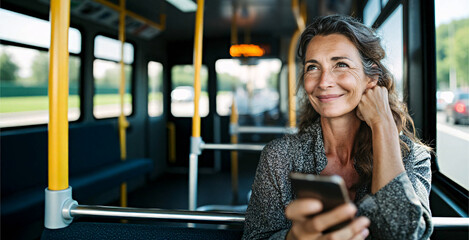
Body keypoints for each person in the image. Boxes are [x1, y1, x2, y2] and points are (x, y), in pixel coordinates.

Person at [242, 15, 432, 240]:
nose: (323, 82)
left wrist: (383, 125)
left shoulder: (412, 156)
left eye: (341, 64)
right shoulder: (278, 156)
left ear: (371, 78)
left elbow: (403, 234)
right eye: (313, 67)